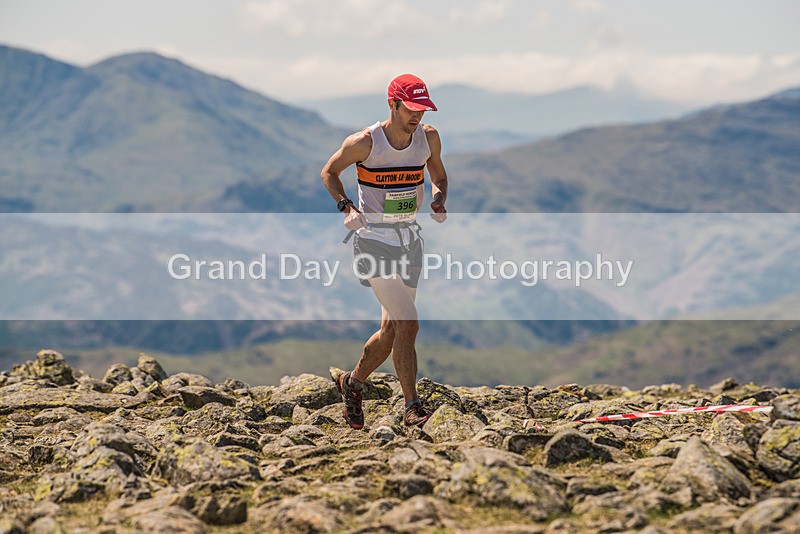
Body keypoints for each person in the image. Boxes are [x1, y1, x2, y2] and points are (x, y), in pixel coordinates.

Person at [321, 73, 449, 429]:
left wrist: (439, 199)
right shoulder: (365, 143)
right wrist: (347, 206)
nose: (417, 116)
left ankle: (353, 382)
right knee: (409, 323)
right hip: (373, 241)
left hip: (409, 241)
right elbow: (329, 172)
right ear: (392, 104)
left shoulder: (428, 138)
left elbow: (439, 176)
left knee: (392, 329)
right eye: (411, 109)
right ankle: (412, 407)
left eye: (423, 110)